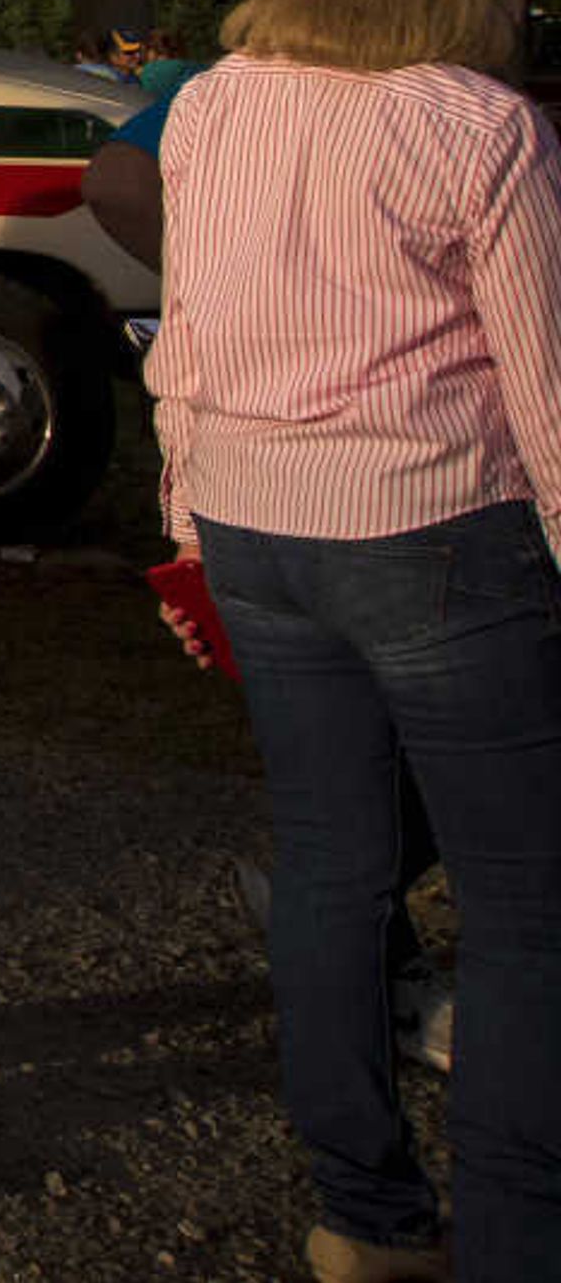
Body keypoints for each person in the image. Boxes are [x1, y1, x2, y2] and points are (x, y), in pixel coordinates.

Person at [146, 0, 561, 1283]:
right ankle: (516, 1233)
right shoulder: (475, 121)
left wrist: (187, 518)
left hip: (259, 521)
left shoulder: (210, 102)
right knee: (524, 906)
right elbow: (548, 386)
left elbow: (182, 337)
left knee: (334, 867)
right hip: (436, 528)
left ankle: (363, 1214)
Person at [90, 76, 461, 1087]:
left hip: (320, 495)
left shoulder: (248, 90)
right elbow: (121, 180)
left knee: (359, 793)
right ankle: (365, 969)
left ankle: (358, 1168)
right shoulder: (267, 86)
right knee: (417, 771)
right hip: (401, 492)